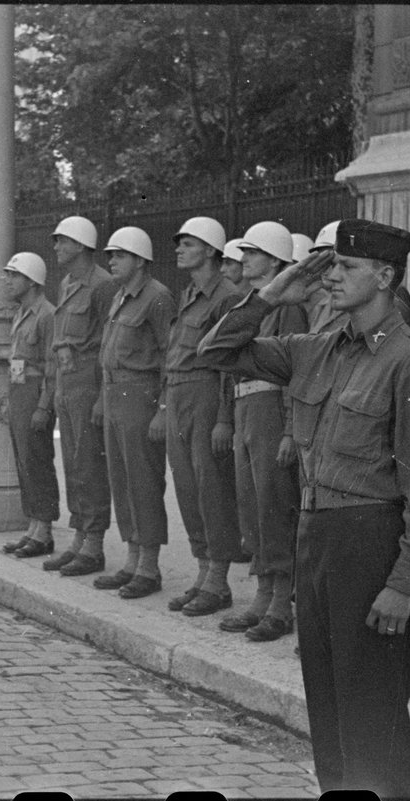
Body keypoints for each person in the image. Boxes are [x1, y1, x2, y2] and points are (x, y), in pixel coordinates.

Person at [200, 218, 410, 797]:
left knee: (371, 710)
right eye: (330, 266)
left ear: (385, 276)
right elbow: (216, 352)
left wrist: (405, 583)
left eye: (346, 267)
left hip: (370, 540)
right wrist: (269, 295)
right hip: (315, 536)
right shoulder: (314, 350)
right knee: (328, 705)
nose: (331, 277)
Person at [218, 221, 308, 641]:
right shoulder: (250, 303)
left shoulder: (287, 304)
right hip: (246, 408)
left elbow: (296, 372)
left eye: (252, 253)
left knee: (274, 503)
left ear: (274, 260)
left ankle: (280, 600)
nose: (243, 259)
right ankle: (262, 590)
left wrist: (291, 428)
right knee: (251, 504)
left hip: (272, 407)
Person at [153, 217, 243, 617]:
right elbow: (172, 355)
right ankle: (203, 572)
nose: (179, 249)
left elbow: (228, 363)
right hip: (179, 393)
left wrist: (224, 417)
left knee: (212, 489)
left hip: (207, 393)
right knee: (188, 488)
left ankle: (219, 580)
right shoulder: (189, 293)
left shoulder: (226, 296)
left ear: (210, 250)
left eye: (187, 243)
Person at [96, 226, 175, 600]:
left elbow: (168, 357)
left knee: (143, 478)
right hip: (115, 392)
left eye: (120, 255)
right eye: (110, 254)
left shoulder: (157, 298)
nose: (111, 260)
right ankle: (131, 557)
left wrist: (162, 408)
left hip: (140, 394)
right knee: (121, 478)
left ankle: (149, 565)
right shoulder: (120, 296)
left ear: (141, 260)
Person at [46, 215, 117, 577]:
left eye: (62, 241)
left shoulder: (103, 285)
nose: (56, 247)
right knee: (73, 463)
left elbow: (109, 343)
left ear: (79, 245)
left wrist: (103, 396)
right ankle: (78, 537)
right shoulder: (68, 283)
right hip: (67, 379)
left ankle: (94, 543)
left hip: (89, 378)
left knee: (89, 463)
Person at [0, 252, 61, 558]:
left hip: (36, 392)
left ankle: (45, 530)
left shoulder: (47, 315)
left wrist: (44, 406)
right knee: (24, 461)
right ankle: (33, 526)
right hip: (20, 390)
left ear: (32, 279)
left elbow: (52, 365)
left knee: (37, 460)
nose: (8, 281)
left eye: (14, 275)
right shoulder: (22, 312)